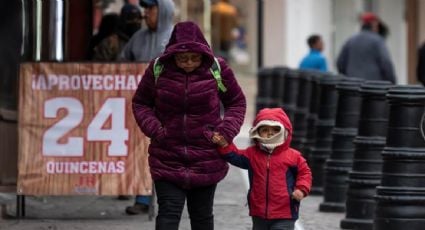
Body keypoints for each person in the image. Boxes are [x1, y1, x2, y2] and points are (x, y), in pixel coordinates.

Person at [132, 21, 246, 230]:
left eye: (194, 58)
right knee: (168, 212)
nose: (188, 63)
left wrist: (225, 131)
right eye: (182, 58)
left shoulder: (216, 69)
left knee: (202, 216)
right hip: (167, 155)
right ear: (172, 55)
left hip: (206, 156)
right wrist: (156, 130)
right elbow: (141, 103)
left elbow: (236, 102)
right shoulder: (158, 69)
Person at [212, 107, 312, 230]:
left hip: (285, 212)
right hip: (258, 212)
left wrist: (301, 189)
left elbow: (305, 173)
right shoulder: (252, 154)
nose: (270, 133)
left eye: (275, 130)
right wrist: (224, 145)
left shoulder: (293, 156)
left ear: (285, 131)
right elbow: (236, 156)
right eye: (265, 130)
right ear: (257, 133)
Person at [120, 0, 175, 215]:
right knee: (140, 151)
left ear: (163, 11)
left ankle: (168, 200)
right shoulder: (138, 38)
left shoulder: (174, 37)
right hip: (141, 106)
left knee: (166, 154)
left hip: (168, 106)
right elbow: (121, 63)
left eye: (151, 9)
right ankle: (142, 199)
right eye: (146, 9)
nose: (146, 13)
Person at [336, 12, 396, 83]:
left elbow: (340, 63)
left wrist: (347, 78)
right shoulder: (378, 41)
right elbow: (386, 63)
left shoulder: (350, 41)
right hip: (373, 87)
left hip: (352, 87)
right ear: (374, 24)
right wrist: (392, 82)